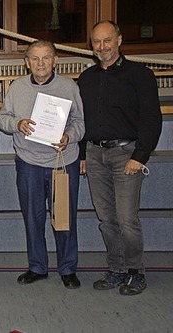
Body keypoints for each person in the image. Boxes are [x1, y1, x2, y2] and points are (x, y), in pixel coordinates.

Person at [78, 20, 162, 296]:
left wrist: (141, 156)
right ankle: (116, 269)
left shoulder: (140, 75)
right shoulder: (87, 79)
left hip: (127, 154)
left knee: (127, 218)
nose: (102, 47)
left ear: (119, 40)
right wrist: (81, 155)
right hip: (94, 154)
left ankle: (135, 271)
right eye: (97, 42)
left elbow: (151, 119)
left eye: (107, 40)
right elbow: (81, 120)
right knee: (106, 218)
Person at [0, 40, 85, 289]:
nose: (41, 63)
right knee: (32, 218)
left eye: (46, 58)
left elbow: (80, 122)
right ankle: (37, 266)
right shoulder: (17, 87)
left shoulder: (69, 87)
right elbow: (2, 119)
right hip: (29, 162)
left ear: (55, 60)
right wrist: (18, 124)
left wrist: (69, 137)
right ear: (27, 62)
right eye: (35, 58)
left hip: (62, 162)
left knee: (64, 217)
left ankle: (67, 268)